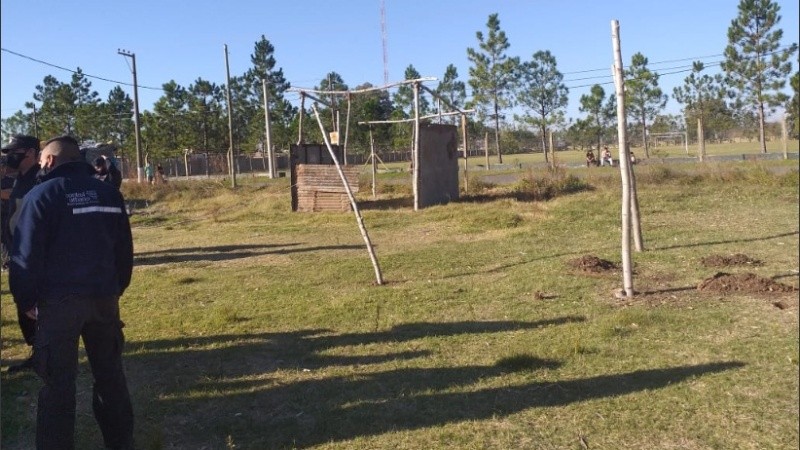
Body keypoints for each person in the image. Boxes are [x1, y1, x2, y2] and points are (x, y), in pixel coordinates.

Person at [9, 135, 134, 449]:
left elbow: (24, 257)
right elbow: (124, 251)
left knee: (58, 386)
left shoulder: (42, 195)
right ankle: (122, 443)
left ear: (49, 161)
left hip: (59, 304)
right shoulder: (110, 193)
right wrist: (115, 289)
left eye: (41, 162)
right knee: (110, 378)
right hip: (104, 299)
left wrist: (25, 301)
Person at [1, 134, 41, 372]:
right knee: (22, 304)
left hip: (32, 254)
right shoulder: (20, 178)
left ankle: (44, 353)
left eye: (14, 152)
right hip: (16, 253)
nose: (9, 157)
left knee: (34, 305)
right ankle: (37, 350)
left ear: (30, 153)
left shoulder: (40, 177)